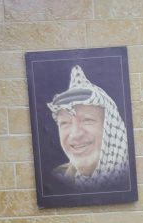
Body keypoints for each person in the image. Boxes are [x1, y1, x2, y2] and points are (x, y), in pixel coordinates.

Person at [47, 64, 130, 192]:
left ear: (110, 127)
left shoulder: (130, 175)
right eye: (65, 123)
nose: (75, 134)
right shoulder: (58, 179)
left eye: (87, 120)